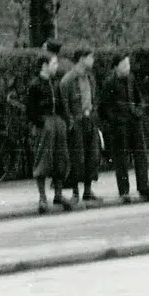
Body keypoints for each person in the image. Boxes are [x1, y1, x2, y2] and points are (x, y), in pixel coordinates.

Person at [101, 53, 149, 203]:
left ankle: (144, 188)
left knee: (140, 155)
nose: (127, 68)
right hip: (120, 125)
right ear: (116, 67)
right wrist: (115, 119)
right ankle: (124, 191)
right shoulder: (109, 83)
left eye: (128, 64)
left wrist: (138, 111)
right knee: (121, 159)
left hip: (134, 122)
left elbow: (138, 98)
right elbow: (105, 107)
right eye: (124, 65)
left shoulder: (131, 79)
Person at [27, 52, 71, 213]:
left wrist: (64, 121)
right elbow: (30, 111)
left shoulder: (55, 83)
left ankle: (58, 195)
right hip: (45, 125)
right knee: (43, 159)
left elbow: (61, 106)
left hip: (57, 123)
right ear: (44, 66)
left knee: (60, 158)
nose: (56, 66)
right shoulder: (35, 85)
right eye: (53, 64)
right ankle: (42, 197)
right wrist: (41, 123)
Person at [60, 48, 101, 206]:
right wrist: (70, 122)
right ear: (82, 59)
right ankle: (76, 192)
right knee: (77, 157)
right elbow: (65, 104)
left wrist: (92, 114)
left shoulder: (90, 77)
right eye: (90, 57)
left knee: (92, 155)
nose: (93, 60)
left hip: (89, 118)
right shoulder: (68, 80)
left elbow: (93, 97)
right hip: (76, 121)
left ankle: (87, 191)